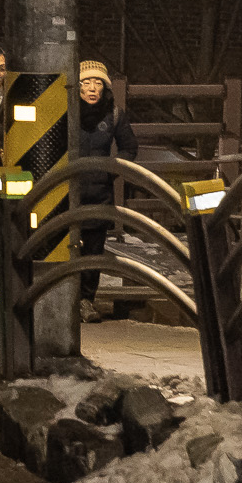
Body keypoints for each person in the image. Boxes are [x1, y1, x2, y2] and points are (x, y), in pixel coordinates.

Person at [73, 61, 140, 318]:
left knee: (93, 250)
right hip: (68, 191)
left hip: (99, 193)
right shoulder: (66, 111)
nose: (92, 88)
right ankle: (62, 299)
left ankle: (86, 300)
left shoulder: (113, 114)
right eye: (86, 83)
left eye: (98, 83)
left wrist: (109, 170)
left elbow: (129, 148)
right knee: (67, 247)